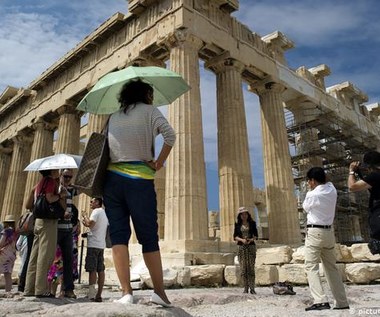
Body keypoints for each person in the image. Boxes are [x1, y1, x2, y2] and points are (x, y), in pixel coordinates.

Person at [103, 80, 175, 307]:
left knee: (118, 236)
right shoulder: (150, 111)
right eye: (151, 94)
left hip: (112, 181)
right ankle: (160, 293)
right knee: (148, 237)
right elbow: (170, 136)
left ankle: (126, 293)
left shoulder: (112, 117)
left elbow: (106, 145)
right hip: (139, 180)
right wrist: (158, 163)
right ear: (146, 94)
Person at [302, 167, 349, 311]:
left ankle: (320, 300)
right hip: (329, 233)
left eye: (309, 181)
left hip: (315, 232)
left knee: (311, 266)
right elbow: (327, 181)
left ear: (313, 180)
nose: (308, 184)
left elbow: (305, 208)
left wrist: (310, 190)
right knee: (331, 268)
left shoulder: (312, 194)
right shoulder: (332, 189)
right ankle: (341, 302)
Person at [24, 169, 67, 298]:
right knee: (45, 256)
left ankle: (29, 288)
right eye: (56, 170)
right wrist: (60, 195)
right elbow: (49, 198)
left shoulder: (38, 184)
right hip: (48, 222)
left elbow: (28, 205)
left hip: (38, 222)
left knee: (34, 256)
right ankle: (41, 289)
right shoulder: (50, 182)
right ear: (52, 171)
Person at [48, 169, 78, 299]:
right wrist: (61, 214)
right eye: (65, 176)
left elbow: (86, 188)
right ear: (60, 175)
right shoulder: (55, 189)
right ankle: (48, 288)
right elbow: (50, 205)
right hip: (55, 227)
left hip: (68, 229)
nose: (67, 179)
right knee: (51, 259)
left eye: (70, 177)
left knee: (69, 260)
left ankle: (68, 289)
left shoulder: (71, 190)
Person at [348, 151, 380, 251]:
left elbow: (352, 187)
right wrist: (360, 174)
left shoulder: (375, 176)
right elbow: (372, 186)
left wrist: (351, 171)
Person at [81, 197, 108, 302]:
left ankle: (91, 295)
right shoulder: (104, 213)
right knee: (100, 269)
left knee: (92, 269)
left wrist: (85, 216)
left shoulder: (96, 212)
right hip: (101, 244)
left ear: (97, 202)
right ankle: (99, 294)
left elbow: (90, 224)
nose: (90, 204)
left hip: (93, 245)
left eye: (92, 202)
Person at [233, 207, 258, 294]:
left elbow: (256, 235)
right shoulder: (237, 225)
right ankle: (245, 288)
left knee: (251, 268)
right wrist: (242, 240)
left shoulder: (253, 224)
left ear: (248, 215)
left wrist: (251, 239)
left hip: (251, 247)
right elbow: (235, 237)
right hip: (241, 248)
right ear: (240, 216)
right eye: (242, 214)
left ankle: (252, 288)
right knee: (243, 268)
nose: (244, 216)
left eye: (245, 214)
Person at [0, 215, 18, 297]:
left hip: (4, 254)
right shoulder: (15, 232)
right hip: (12, 255)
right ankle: (8, 292)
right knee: (8, 274)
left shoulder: (6, 231)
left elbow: (1, 243)